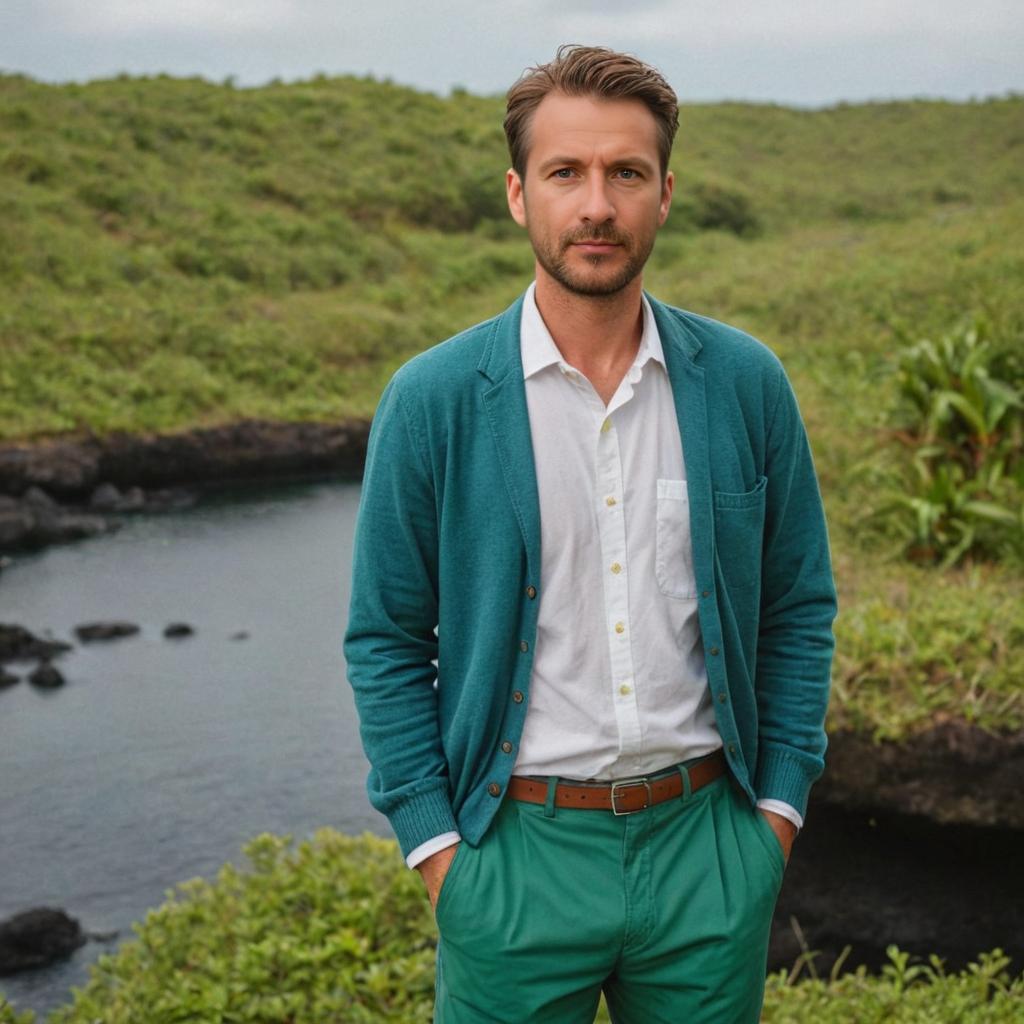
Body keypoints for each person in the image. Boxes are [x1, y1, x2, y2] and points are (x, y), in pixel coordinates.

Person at [344, 44, 837, 1024]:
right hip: (512, 853)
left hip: (708, 847)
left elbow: (796, 606)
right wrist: (438, 850)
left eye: (626, 172)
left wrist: (773, 814)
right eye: (566, 172)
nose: (597, 204)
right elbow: (387, 637)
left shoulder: (746, 384)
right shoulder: (433, 398)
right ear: (519, 194)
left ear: (665, 192)